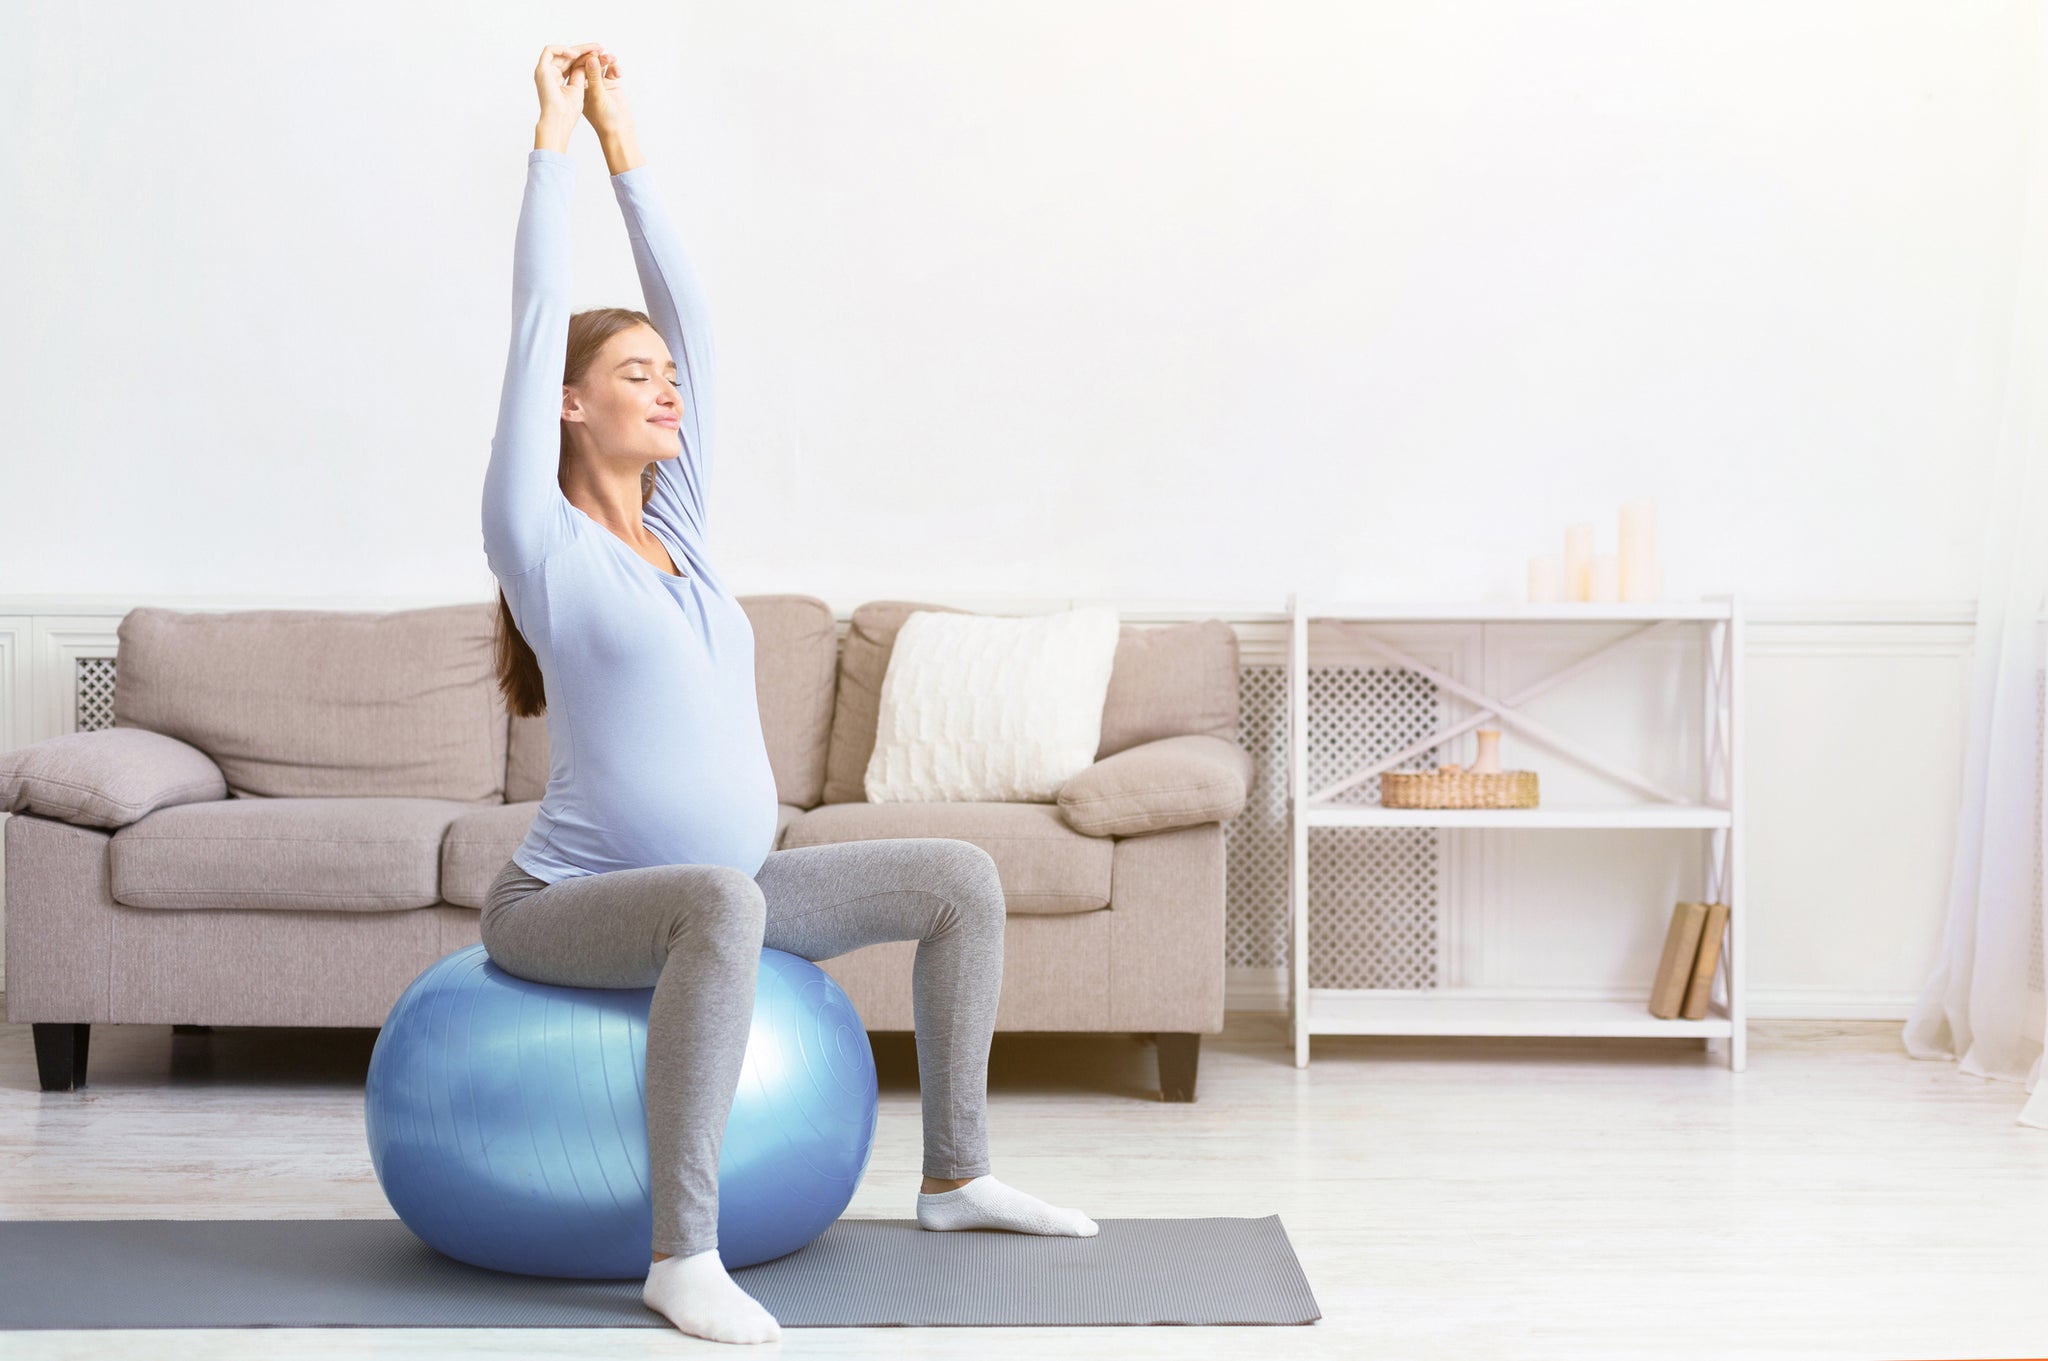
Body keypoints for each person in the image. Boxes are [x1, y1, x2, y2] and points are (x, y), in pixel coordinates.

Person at [477, 43, 1097, 1346]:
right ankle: (680, 1252)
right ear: (572, 407)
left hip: (737, 892)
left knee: (958, 878)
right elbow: (538, 317)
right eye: (636, 374)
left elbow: (695, 319)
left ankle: (956, 1175)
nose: (668, 386)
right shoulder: (540, 540)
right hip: (562, 910)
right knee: (717, 897)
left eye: (669, 376)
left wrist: (628, 139)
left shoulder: (684, 531)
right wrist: (553, 137)